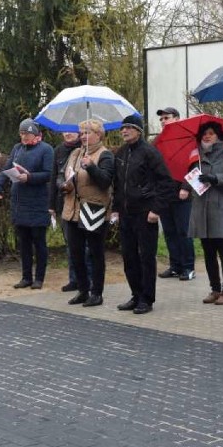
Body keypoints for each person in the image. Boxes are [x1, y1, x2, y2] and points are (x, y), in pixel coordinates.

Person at [111, 113, 176, 315]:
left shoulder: (150, 153)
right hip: (126, 213)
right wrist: (115, 208)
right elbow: (117, 184)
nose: (124, 131)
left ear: (138, 130)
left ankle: (147, 298)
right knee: (129, 257)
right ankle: (135, 294)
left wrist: (156, 209)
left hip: (145, 212)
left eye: (128, 128)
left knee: (146, 257)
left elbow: (166, 183)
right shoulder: (120, 153)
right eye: (122, 128)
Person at [181, 121, 223, 306]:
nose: (207, 137)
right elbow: (190, 180)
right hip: (201, 208)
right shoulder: (195, 157)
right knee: (208, 252)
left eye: (211, 133)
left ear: (218, 136)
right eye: (204, 134)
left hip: (221, 208)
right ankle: (215, 289)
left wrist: (215, 178)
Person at [60, 119, 115, 307]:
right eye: (81, 132)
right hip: (72, 210)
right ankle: (83, 290)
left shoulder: (105, 155)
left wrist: (91, 166)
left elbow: (105, 182)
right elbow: (63, 174)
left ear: (98, 135)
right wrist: (64, 185)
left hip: (93, 210)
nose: (83, 136)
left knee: (95, 252)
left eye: (87, 132)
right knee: (75, 253)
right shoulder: (75, 153)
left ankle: (96, 293)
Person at [0, 119, 54, 290]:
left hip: (37, 202)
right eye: (21, 133)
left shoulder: (46, 150)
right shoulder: (17, 149)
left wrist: (30, 177)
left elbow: (49, 174)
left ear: (36, 134)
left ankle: (39, 278)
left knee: (38, 241)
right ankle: (26, 277)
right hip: (19, 202)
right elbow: (6, 169)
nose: (24, 137)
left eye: (27, 133)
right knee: (24, 242)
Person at [155, 107, 196, 281]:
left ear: (177, 118)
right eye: (161, 119)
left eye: (167, 117)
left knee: (183, 231)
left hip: (182, 194)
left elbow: (196, 167)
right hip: (164, 195)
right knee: (169, 232)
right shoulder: (158, 141)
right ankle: (175, 265)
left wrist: (186, 187)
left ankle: (188, 267)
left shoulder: (189, 139)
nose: (164, 121)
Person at [48, 130, 88, 292]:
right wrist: (51, 204)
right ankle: (74, 279)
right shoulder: (58, 150)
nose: (67, 134)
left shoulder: (85, 150)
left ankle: (88, 279)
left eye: (72, 131)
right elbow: (54, 177)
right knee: (71, 245)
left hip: (83, 203)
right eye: (64, 131)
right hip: (64, 202)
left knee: (85, 245)